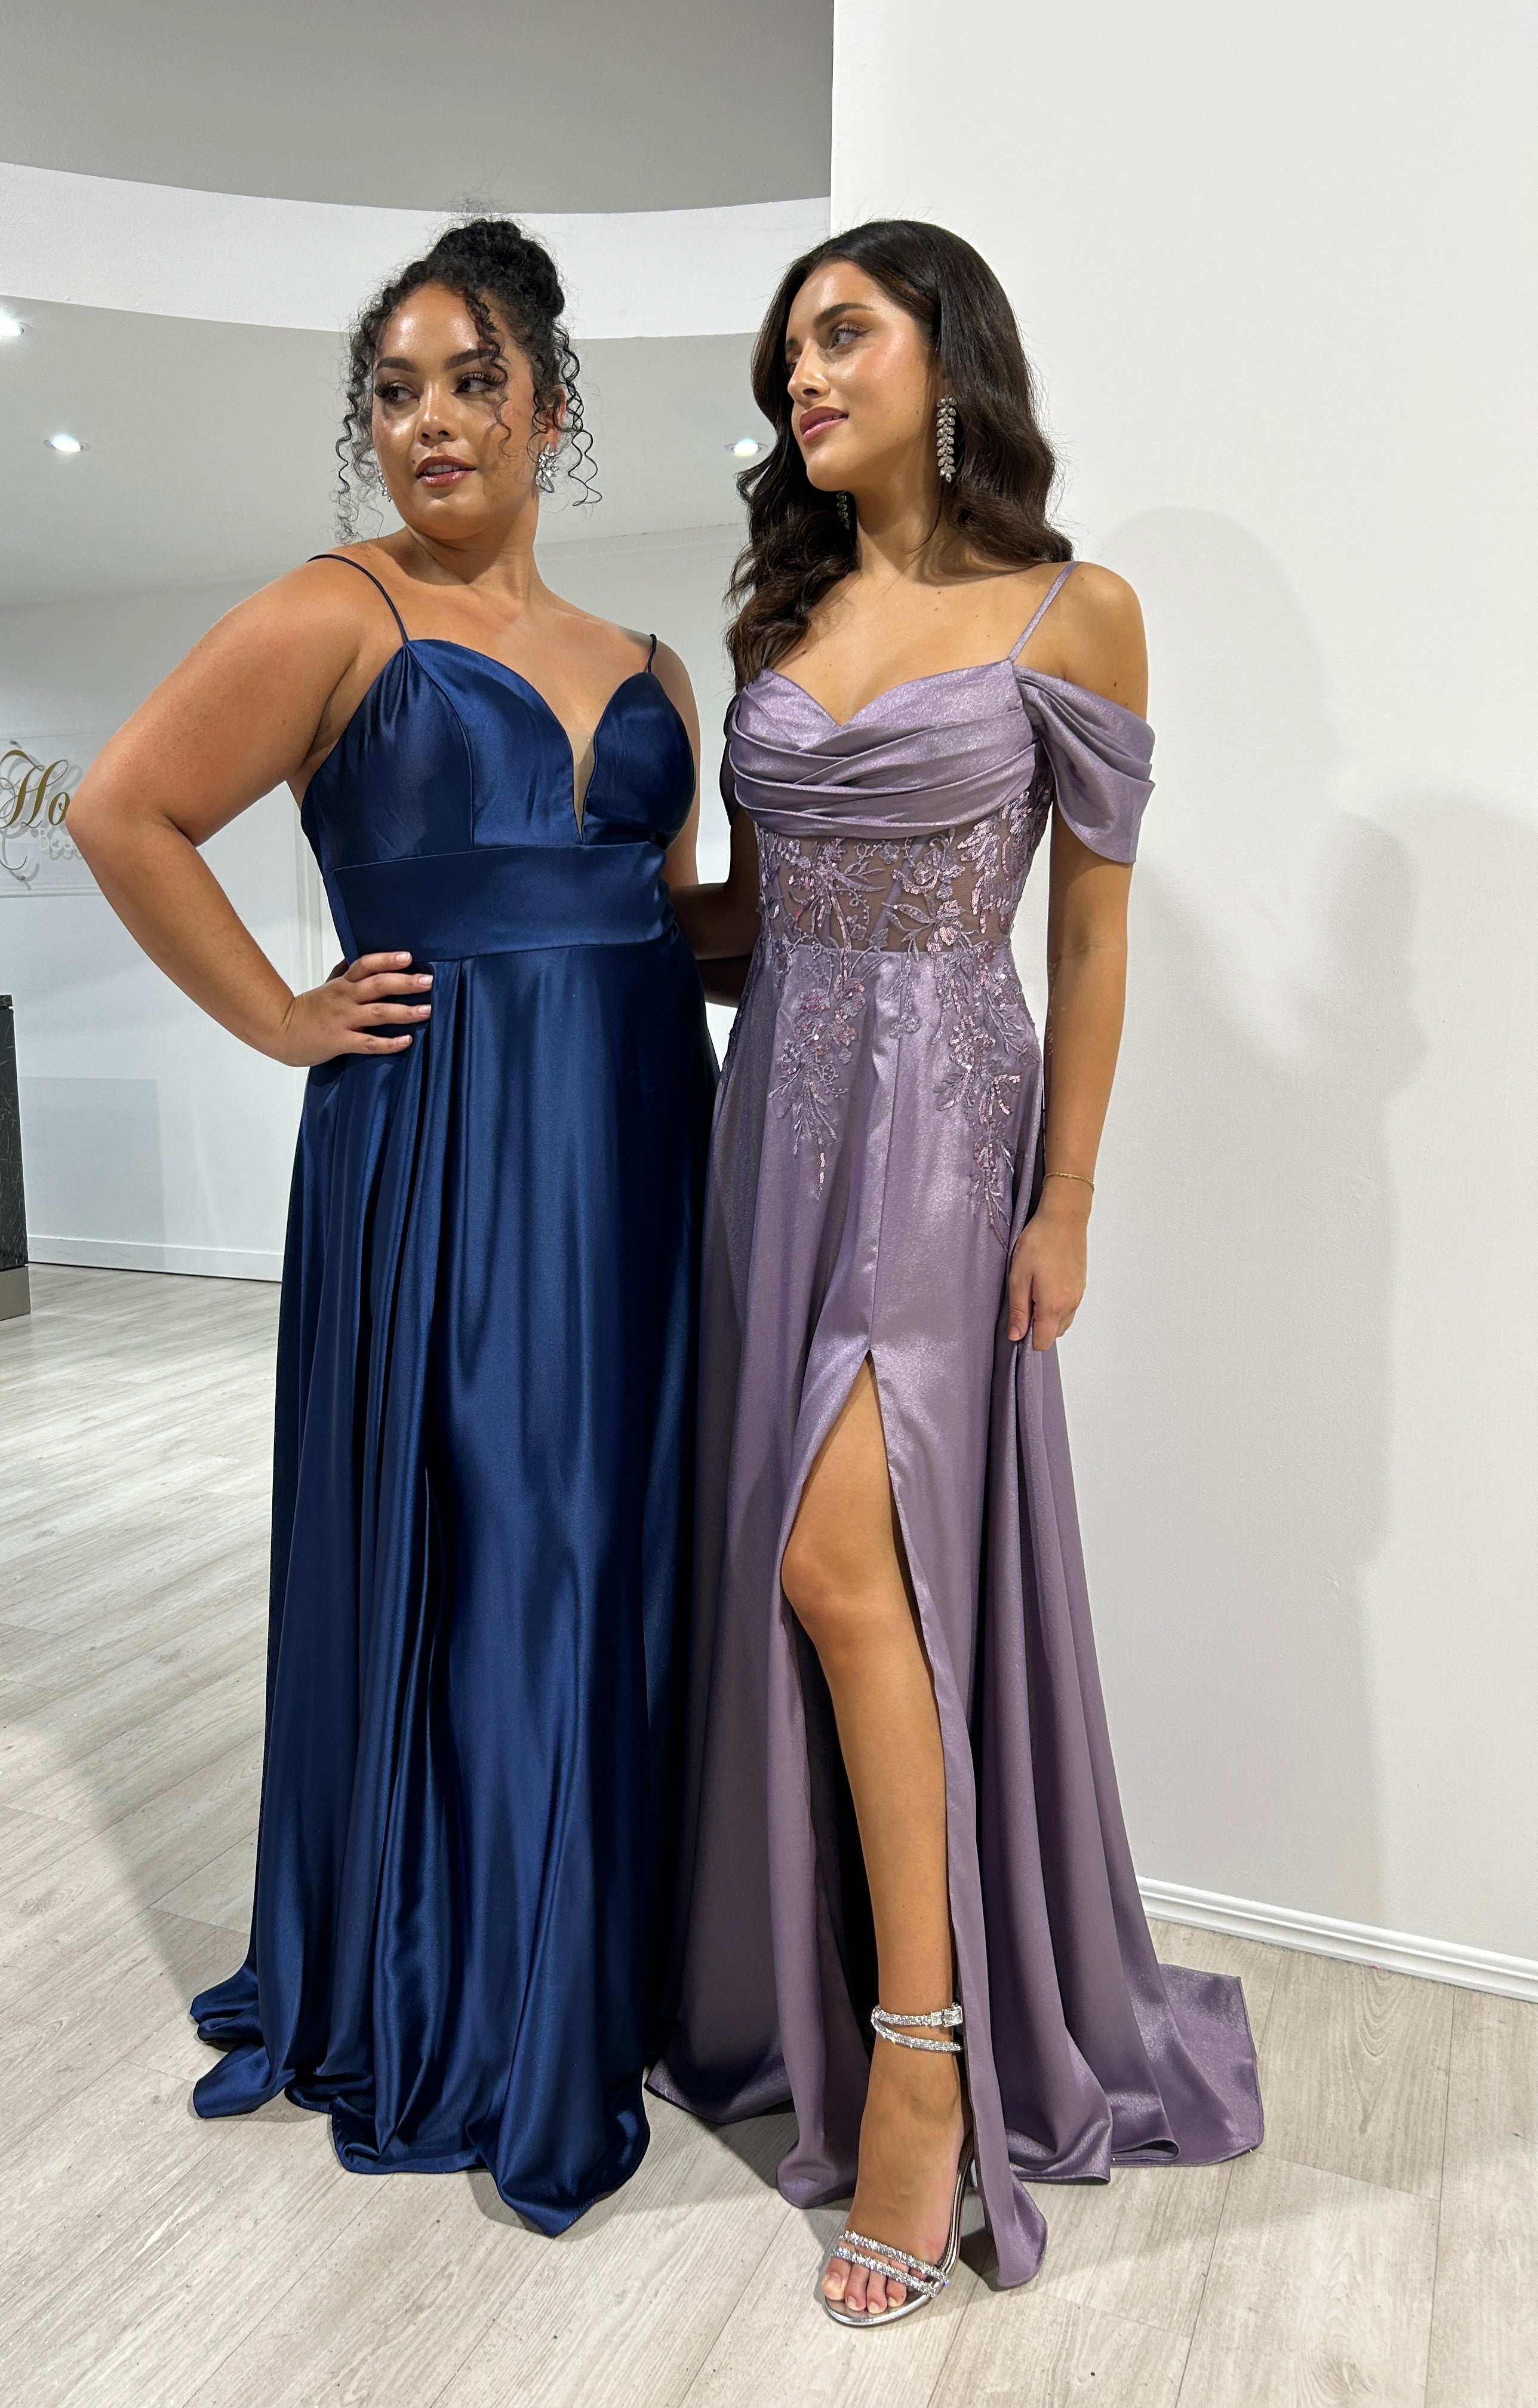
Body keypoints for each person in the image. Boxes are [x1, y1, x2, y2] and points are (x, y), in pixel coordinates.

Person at [67, 219, 716, 2234]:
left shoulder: (655, 669)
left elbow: (658, 919)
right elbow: (120, 810)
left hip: (641, 1146)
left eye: (472, 382)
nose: (431, 422)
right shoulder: (335, 614)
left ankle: (613, 1957)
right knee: (497, 1538)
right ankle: (473, 1987)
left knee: (627, 1539)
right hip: (438, 1150)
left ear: (551, 407)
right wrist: (280, 1017)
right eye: (395, 392)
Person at [659, 220, 1262, 2320]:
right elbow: (748, 921)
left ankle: (923, 2072)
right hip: (773, 1125)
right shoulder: (785, 612)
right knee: (820, 1575)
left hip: (941, 1122)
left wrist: (1067, 1194)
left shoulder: (1077, 612)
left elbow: (1088, 927)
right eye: (789, 355)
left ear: (949, 352)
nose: (804, 377)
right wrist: (553, 923)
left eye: (843, 334)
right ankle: (825, 1984)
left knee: (852, 1563)